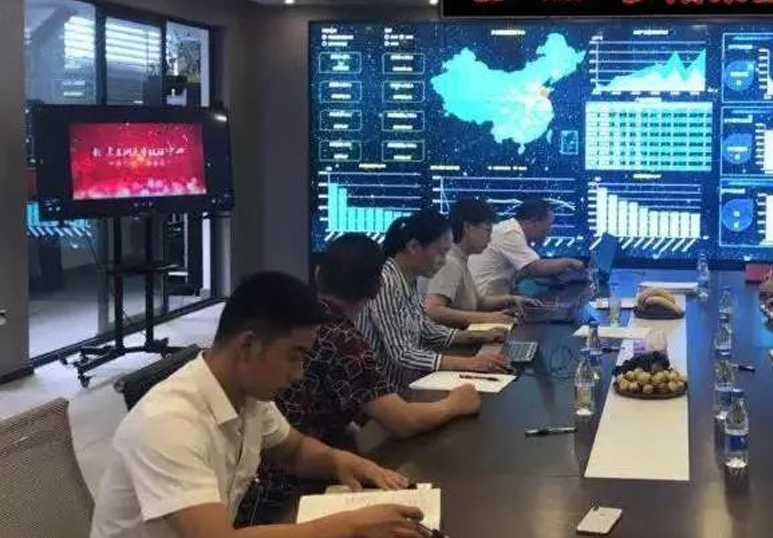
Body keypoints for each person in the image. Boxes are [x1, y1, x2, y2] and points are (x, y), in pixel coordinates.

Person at [90, 272, 427, 538]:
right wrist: (351, 524)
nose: (299, 373)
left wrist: (340, 461)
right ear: (248, 346)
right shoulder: (167, 424)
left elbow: (293, 451)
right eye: (293, 356)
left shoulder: (248, 395)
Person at [237, 234, 482, 526]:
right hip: (285, 496)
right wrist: (456, 403)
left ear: (318, 274)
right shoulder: (341, 338)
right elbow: (402, 421)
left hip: (282, 475)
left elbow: (299, 440)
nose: (297, 372)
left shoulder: (298, 324)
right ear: (378, 287)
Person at [360, 207, 511, 388]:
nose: (444, 261)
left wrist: (474, 336)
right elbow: (403, 354)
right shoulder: (386, 283)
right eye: (441, 252)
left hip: (406, 383)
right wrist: (469, 363)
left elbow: (425, 329)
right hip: (386, 390)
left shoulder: (407, 279)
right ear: (414, 247)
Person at [425, 198, 540, 328]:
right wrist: (490, 318)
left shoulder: (460, 258)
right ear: (468, 227)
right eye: (487, 230)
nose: (490, 238)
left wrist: (512, 299)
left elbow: (479, 303)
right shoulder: (450, 262)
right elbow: (433, 310)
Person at [468, 198, 584, 297]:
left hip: (487, 300)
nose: (549, 231)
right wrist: (569, 262)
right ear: (534, 222)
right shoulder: (510, 233)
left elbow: (517, 278)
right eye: (548, 226)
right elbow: (536, 268)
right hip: (481, 305)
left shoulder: (512, 231)